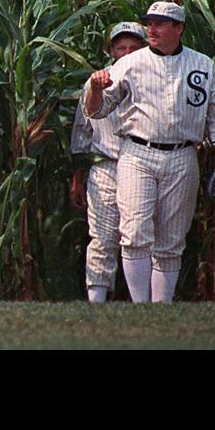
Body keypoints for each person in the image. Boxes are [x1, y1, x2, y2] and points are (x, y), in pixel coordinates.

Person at [84, 1, 215, 303]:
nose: (151, 29)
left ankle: (162, 308)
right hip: (137, 152)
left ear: (178, 28)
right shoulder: (130, 63)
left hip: (183, 154)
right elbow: (98, 111)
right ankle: (142, 307)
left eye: (159, 24)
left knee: (171, 239)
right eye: (149, 23)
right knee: (134, 232)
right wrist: (96, 88)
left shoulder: (201, 64)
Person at [69, 21, 147, 303]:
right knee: (101, 236)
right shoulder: (96, 83)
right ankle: (97, 300)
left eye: (133, 48)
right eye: (121, 47)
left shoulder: (153, 79)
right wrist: (77, 176)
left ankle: (144, 301)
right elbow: (82, 133)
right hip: (105, 165)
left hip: (142, 163)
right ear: (112, 50)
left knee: (139, 235)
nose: (126, 53)